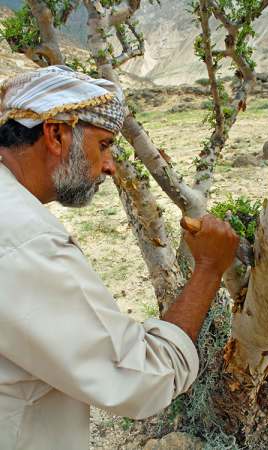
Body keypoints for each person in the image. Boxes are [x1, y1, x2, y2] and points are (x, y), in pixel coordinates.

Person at [0, 66, 239, 450]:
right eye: (105, 145)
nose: (110, 165)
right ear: (56, 134)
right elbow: (141, 378)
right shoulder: (26, 239)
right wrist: (209, 269)